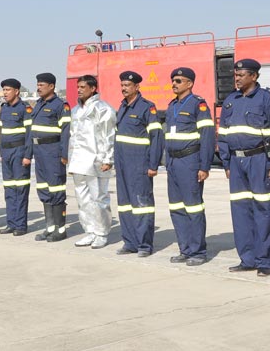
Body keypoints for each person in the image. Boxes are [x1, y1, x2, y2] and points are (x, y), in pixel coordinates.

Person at [217, 59, 270, 276]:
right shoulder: (231, 100)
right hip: (236, 165)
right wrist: (226, 162)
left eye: (241, 75)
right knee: (240, 212)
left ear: (254, 76)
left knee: (263, 211)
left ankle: (264, 261)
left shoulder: (267, 99)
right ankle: (247, 259)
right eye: (235, 75)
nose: (236, 78)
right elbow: (223, 134)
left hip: (260, 162)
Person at [164, 67, 215, 265]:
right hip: (173, 162)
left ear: (189, 84)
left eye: (178, 80)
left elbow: (207, 137)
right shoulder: (171, 106)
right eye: (173, 80)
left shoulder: (198, 105)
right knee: (176, 207)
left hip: (189, 162)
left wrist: (204, 166)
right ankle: (184, 249)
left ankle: (198, 252)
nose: (174, 84)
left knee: (193, 208)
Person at [114, 70, 164, 257]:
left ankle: (144, 245)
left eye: (127, 85)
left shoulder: (147, 108)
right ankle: (130, 242)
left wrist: (153, 165)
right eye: (122, 85)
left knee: (142, 204)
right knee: (125, 205)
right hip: (122, 165)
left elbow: (157, 137)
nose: (123, 89)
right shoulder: (122, 107)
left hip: (139, 165)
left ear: (137, 87)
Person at [68, 75, 116, 250]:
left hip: (96, 160)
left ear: (93, 88)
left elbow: (108, 135)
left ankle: (101, 233)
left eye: (83, 87)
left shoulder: (102, 109)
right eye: (78, 87)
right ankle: (90, 231)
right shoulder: (75, 110)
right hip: (79, 161)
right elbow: (73, 137)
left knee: (99, 198)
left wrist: (107, 159)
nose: (79, 90)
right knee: (82, 198)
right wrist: (72, 161)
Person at [26, 72, 71, 242]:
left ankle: (60, 229)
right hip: (40, 153)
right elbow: (31, 131)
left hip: (53, 152)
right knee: (44, 189)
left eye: (41, 85)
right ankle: (50, 228)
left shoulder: (60, 105)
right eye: (37, 84)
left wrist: (64, 154)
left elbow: (66, 132)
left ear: (51, 86)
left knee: (56, 190)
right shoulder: (38, 105)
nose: (38, 88)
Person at [0, 78, 31, 236]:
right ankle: (11, 223)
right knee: (9, 189)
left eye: (8, 90)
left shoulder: (25, 109)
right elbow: (2, 132)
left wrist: (27, 155)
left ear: (17, 91)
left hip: (19, 153)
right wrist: (2, 153)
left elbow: (30, 134)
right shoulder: (3, 108)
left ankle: (20, 225)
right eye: (4, 90)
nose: (5, 93)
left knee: (20, 190)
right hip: (7, 154)